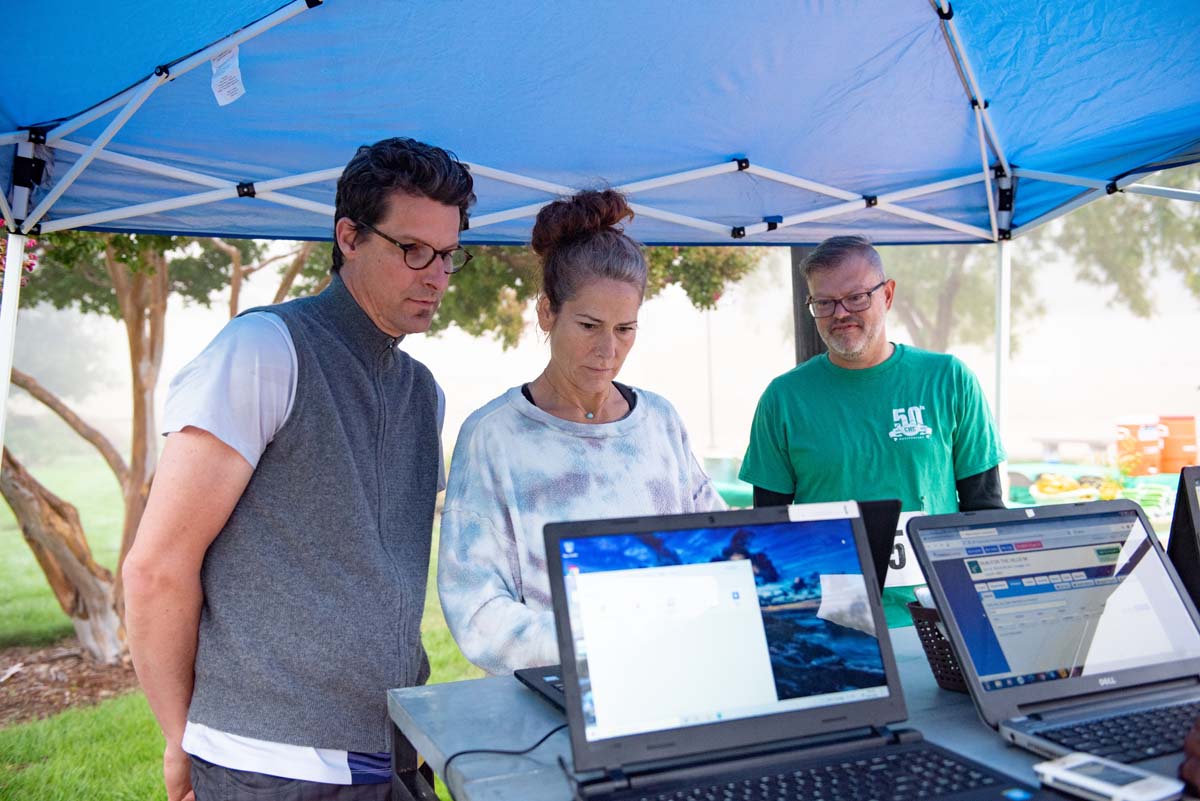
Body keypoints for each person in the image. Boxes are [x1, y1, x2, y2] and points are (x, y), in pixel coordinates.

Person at [123, 137, 475, 801]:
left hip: (392, 753)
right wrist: (181, 738)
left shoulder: (423, 391)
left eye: (449, 254)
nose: (436, 274)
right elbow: (155, 569)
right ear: (349, 235)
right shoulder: (263, 348)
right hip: (268, 768)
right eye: (413, 250)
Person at [438, 189, 726, 675]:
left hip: (674, 680)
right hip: (550, 706)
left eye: (625, 329)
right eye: (589, 325)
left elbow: (716, 550)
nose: (607, 350)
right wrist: (610, 641)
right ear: (547, 311)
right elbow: (478, 613)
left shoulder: (659, 423)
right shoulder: (493, 436)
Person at [739, 235, 1005, 625]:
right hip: (833, 619)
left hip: (936, 612)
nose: (840, 313)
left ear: (888, 294)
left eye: (857, 297)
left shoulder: (948, 379)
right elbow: (770, 529)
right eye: (824, 302)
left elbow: (984, 511)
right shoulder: (783, 398)